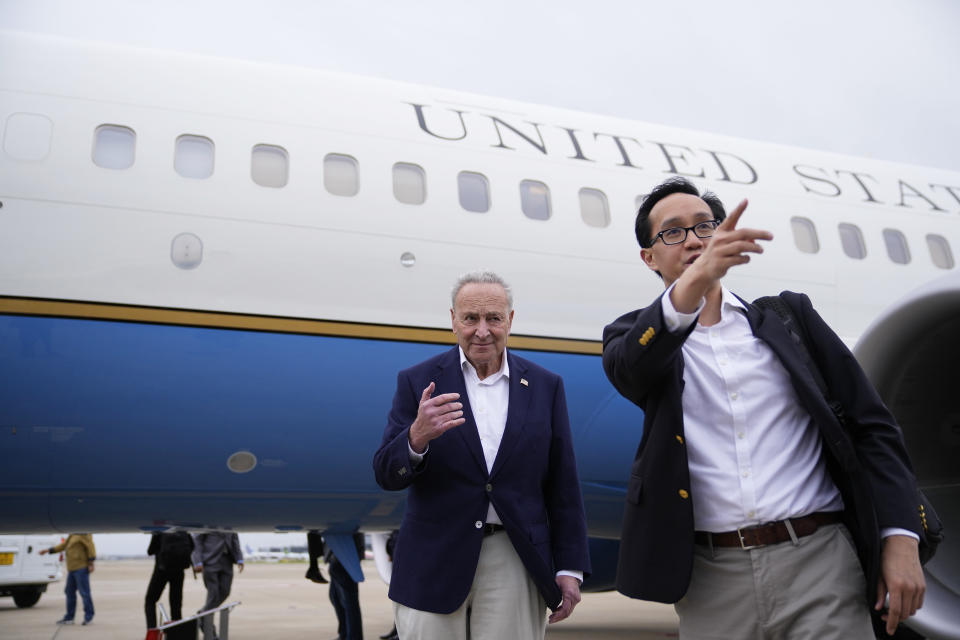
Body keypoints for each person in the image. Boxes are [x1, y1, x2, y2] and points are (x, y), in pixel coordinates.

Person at [602, 177, 927, 638]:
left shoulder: (789, 320)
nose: (694, 239)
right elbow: (632, 368)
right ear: (649, 258)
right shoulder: (634, 337)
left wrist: (900, 537)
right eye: (672, 232)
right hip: (713, 579)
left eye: (704, 227)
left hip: (821, 562)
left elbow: (873, 429)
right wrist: (695, 279)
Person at [373, 271, 590, 640]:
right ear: (453, 320)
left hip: (515, 558)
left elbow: (563, 485)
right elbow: (386, 473)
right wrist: (416, 437)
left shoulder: (544, 386)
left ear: (511, 321)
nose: (482, 330)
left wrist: (570, 567)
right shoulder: (417, 381)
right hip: (433, 559)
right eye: (471, 318)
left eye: (494, 318)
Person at [39, 533, 96, 625]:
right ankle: (69, 617)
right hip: (72, 569)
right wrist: (48, 550)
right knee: (69, 592)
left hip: (81, 568)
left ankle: (88, 617)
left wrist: (91, 562)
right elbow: (63, 545)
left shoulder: (84, 533)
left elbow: (90, 547)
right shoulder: (73, 534)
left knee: (84, 593)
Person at [144, 531, 194, 628]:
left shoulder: (159, 531)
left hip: (161, 570)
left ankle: (152, 631)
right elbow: (192, 546)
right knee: (176, 604)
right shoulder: (182, 530)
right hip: (179, 571)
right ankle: (176, 633)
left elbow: (150, 551)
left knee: (150, 601)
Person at [326, 532, 365, 640]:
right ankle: (344, 633)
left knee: (349, 603)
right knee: (335, 598)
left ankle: (353, 636)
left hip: (346, 555)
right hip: (335, 556)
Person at [191, 532, 244, 612]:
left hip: (227, 561)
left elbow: (235, 541)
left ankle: (203, 613)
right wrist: (198, 561)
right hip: (210, 561)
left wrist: (239, 559)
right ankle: (206, 620)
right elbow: (197, 542)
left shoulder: (231, 522)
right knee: (213, 594)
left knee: (225, 592)